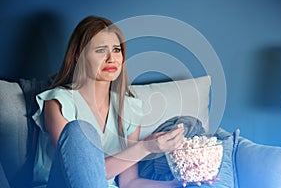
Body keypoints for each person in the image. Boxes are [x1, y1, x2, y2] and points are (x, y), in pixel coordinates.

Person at [32, 15, 185, 188]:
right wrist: (146, 147)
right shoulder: (57, 102)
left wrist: (177, 185)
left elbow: (129, 182)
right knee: (79, 130)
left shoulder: (129, 109)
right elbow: (81, 170)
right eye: (100, 50)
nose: (111, 58)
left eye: (117, 50)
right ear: (78, 56)